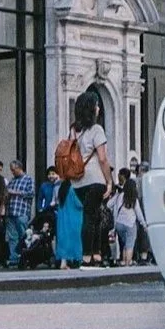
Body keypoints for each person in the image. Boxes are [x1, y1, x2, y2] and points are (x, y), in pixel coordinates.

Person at [72, 89, 112, 266]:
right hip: (95, 178)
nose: (98, 108)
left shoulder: (74, 130)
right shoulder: (97, 129)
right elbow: (102, 159)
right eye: (96, 105)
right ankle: (89, 256)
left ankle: (96, 255)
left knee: (92, 216)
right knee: (91, 217)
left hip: (78, 181)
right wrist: (109, 181)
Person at [7, 160, 35, 262]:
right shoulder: (12, 180)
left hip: (22, 212)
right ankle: (14, 258)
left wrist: (16, 192)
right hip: (11, 212)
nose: (12, 172)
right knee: (12, 237)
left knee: (23, 235)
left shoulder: (28, 179)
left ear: (19, 168)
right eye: (11, 170)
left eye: (14, 170)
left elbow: (31, 193)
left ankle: (26, 257)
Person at [113, 169, 141, 268]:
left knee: (125, 243)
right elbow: (139, 213)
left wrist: (114, 224)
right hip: (130, 224)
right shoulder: (134, 199)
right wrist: (144, 224)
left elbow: (112, 207)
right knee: (130, 244)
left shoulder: (120, 196)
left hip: (119, 224)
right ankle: (128, 262)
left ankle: (123, 261)